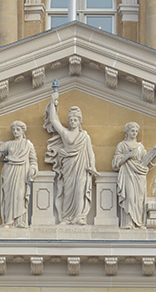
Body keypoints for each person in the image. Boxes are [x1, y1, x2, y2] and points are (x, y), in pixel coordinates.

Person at [44, 92, 98, 225]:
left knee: (80, 190)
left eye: (76, 120)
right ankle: (67, 217)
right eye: (71, 120)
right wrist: (52, 102)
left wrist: (93, 166)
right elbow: (54, 120)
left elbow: (91, 153)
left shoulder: (85, 136)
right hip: (68, 166)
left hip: (82, 167)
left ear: (80, 121)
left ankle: (79, 217)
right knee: (68, 191)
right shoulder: (65, 133)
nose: (73, 122)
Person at [0, 120, 38, 228]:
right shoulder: (9, 144)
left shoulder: (28, 144)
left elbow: (33, 160)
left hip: (22, 173)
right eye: (14, 130)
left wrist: (33, 169)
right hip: (9, 172)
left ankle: (20, 221)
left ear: (22, 131)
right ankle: (8, 221)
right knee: (9, 197)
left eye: (18, 129)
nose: (15, 132)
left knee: (20, 195)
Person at [112, 122, 156, 229]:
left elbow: (147, 162)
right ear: (127, 132)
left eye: (136, 131)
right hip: (127, 173)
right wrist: (128, 155)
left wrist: (155, 155)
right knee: (130, 198)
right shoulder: (122, 145)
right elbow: (115, 163)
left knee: (140, 199)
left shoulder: (140, 147)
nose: (135, 133)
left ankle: (139, 222)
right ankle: (128, 222)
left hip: (140, 175)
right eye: (132, 131)